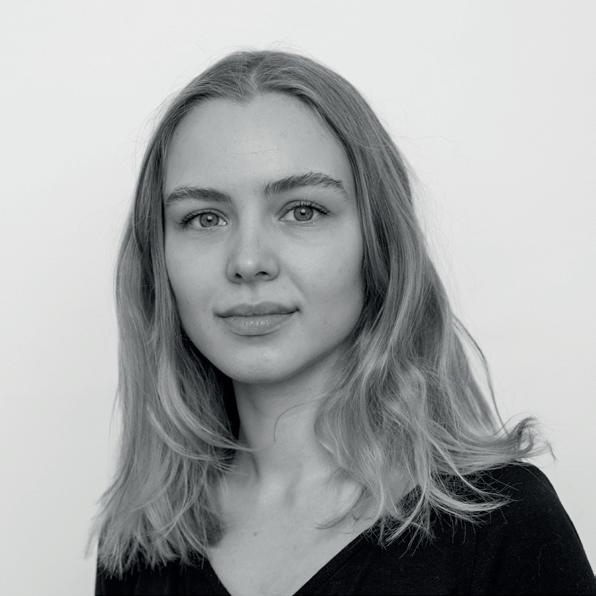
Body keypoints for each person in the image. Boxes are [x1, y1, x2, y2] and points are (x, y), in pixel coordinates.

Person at [90, 49, 595, 595]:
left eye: (302, 211)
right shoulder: (140, 543)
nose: (248, 260)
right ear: (158, 258)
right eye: (203, 218)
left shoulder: (503, 524)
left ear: (378, 242)